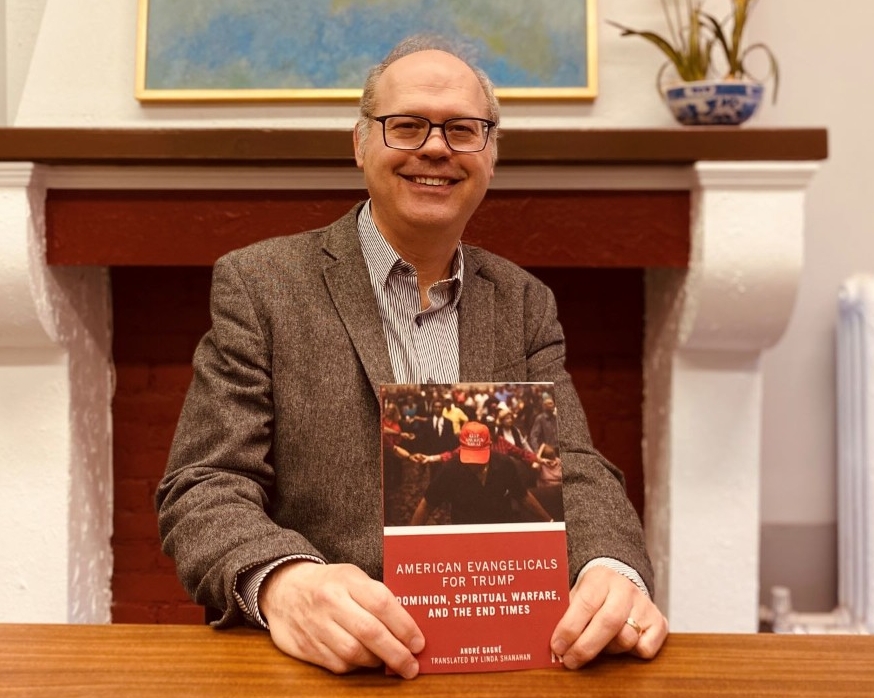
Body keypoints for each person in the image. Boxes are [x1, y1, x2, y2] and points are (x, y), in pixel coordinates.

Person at [156, 34, 668, 681]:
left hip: (505, 664)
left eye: (462, 129)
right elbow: (205, 484)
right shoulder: (262, 285)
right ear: (361, 143)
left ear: (491, 153)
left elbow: (576, 470)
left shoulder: (524, 302)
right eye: (407, 126)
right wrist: (284, 583)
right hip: (327, 669)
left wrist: (609, 570)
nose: (436, 147)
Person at [409, 421, 552, 525]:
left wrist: (550, 522)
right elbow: (426, 505)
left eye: (479, 457)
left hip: (499, 528)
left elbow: (523, 496)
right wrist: (409, 539)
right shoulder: (450, 469)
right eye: (470, 457)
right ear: (461, 449)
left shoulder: (505, 464)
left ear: (489, 446)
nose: (474, 464)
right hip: (466, 532)